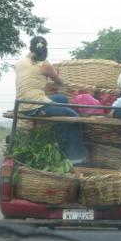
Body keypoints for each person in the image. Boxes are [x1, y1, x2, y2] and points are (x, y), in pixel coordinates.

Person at [15, 36, 87, 164]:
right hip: (36, 105)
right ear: (45, 49)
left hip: (22, 104)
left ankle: (62, 140)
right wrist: (56, 74)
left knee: (62, 99)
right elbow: (59, 82)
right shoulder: (45, 64)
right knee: (73, 116)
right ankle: (76, 157)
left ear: (30, 48)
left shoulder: (20, 62)